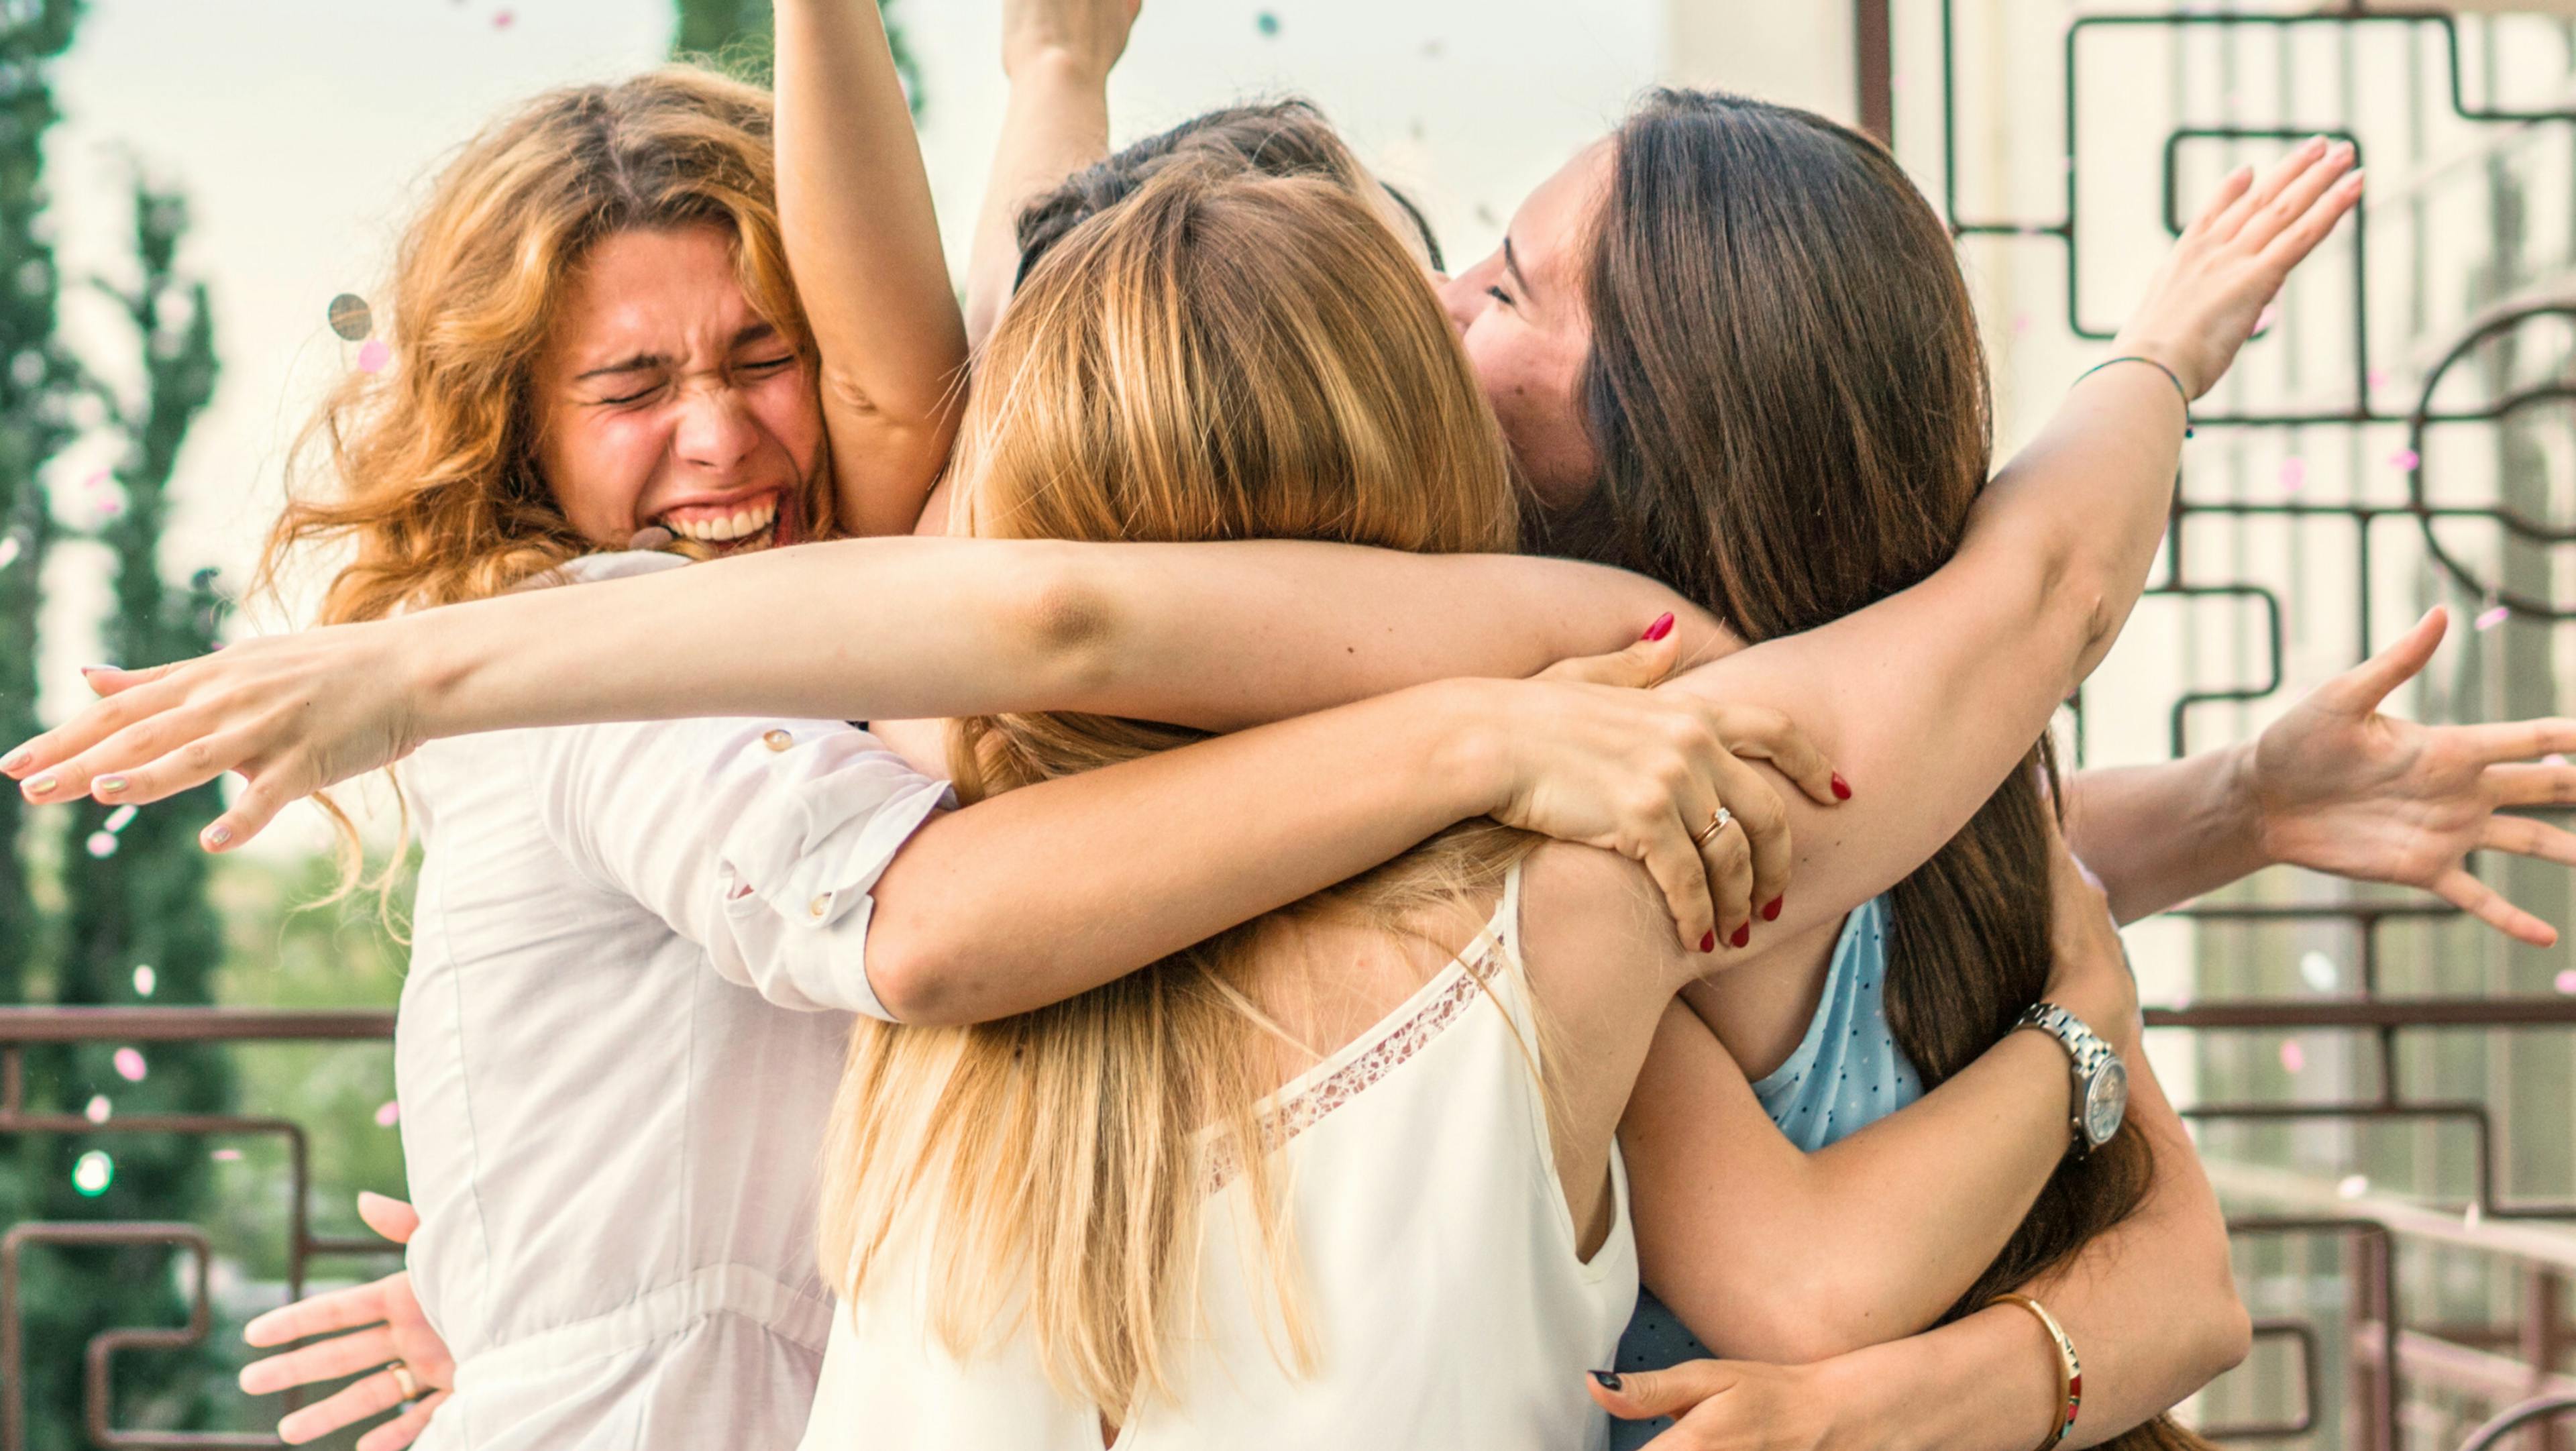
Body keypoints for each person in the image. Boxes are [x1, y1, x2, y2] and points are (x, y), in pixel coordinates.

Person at [16, 87, 2384, 1451]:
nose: (733, 436)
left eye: (1504, 281)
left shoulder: (931, 842)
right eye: (1449, 281)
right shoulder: (1597, 792)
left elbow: (1042, 598)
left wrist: (431, 678)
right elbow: (2026, 620)